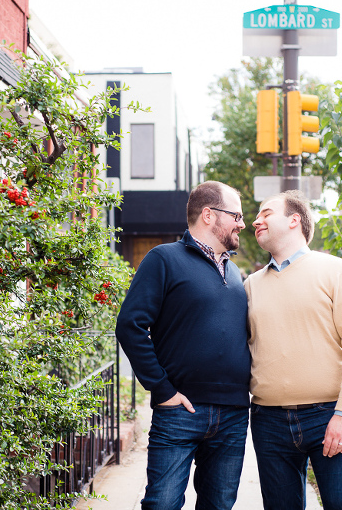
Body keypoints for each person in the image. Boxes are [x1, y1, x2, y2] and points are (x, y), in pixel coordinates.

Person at [116, 181, 251, 510]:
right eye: (236, 215)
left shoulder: (235, 272)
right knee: (162, 504)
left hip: (233, 416)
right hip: (180, 411)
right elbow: (130, 325)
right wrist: (162, 389)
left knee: (219, 506)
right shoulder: (163, 259)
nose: (242, 224)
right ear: (208, 215)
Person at [244, 190, 342, 510]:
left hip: (329, 416)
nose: (256, 221)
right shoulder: (250, 285)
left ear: (294, 220)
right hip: (268, 421)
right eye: (256, 216)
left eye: (266, 213)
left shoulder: (336, 271)